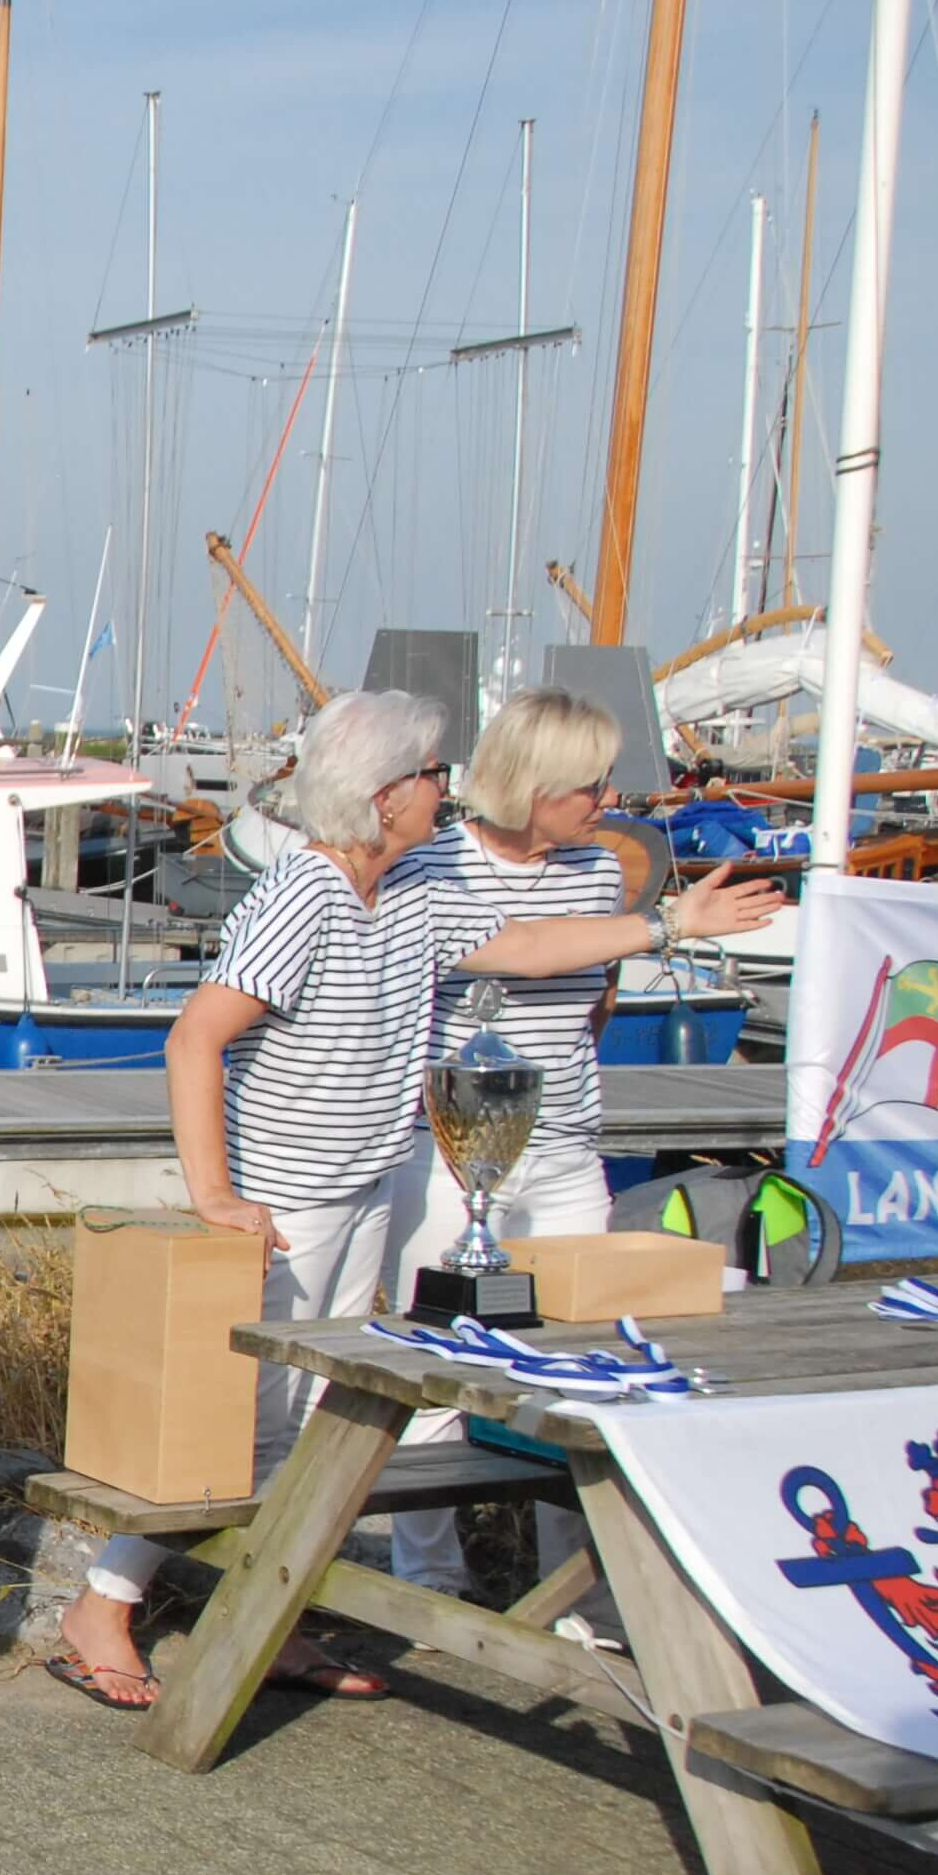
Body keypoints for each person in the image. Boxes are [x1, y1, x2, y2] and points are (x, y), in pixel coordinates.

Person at [49, 690, 785, 1710]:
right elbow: (194, 1039)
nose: (448, 788)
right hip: (288, 1196)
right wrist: (215, 1193)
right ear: (385, 793)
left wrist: (664, 923)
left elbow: (524, 950)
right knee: (244, 1416)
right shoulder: (305, 892)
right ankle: (102, 1604)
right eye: (434, 773)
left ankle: (268, 1619)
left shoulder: (411, 888)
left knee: (316, 1415)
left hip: (363, 1182)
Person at [381, 685, 632, 1607]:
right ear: (537, 787)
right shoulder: (430, 866)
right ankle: (428, 1581)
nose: (607, 801)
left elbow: (595, 1002)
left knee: (580, 1367)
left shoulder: (600, 873)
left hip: (565, 1149)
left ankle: (575, 1593)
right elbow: (508, 958)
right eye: (592, 785)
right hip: (445, 1152)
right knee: (432, 1364)